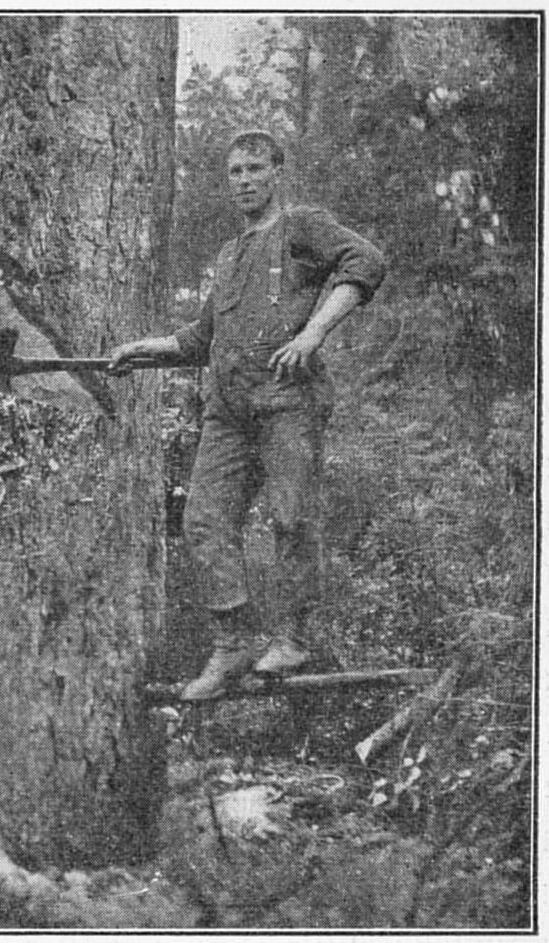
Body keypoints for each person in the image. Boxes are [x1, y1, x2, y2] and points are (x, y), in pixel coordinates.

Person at [110, 130, 385, 700]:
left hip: (288, 401)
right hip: (229, 411)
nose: (244, 181)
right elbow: (201, 338)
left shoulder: (301, 227)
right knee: (203, 520)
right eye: (235, 171)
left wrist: (313, 332)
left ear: (277, 172)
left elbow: (367, 261)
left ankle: (292, 638)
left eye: (255, 168)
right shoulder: (230, 254)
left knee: (291, 517)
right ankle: (231, 644)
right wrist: (144, 349)